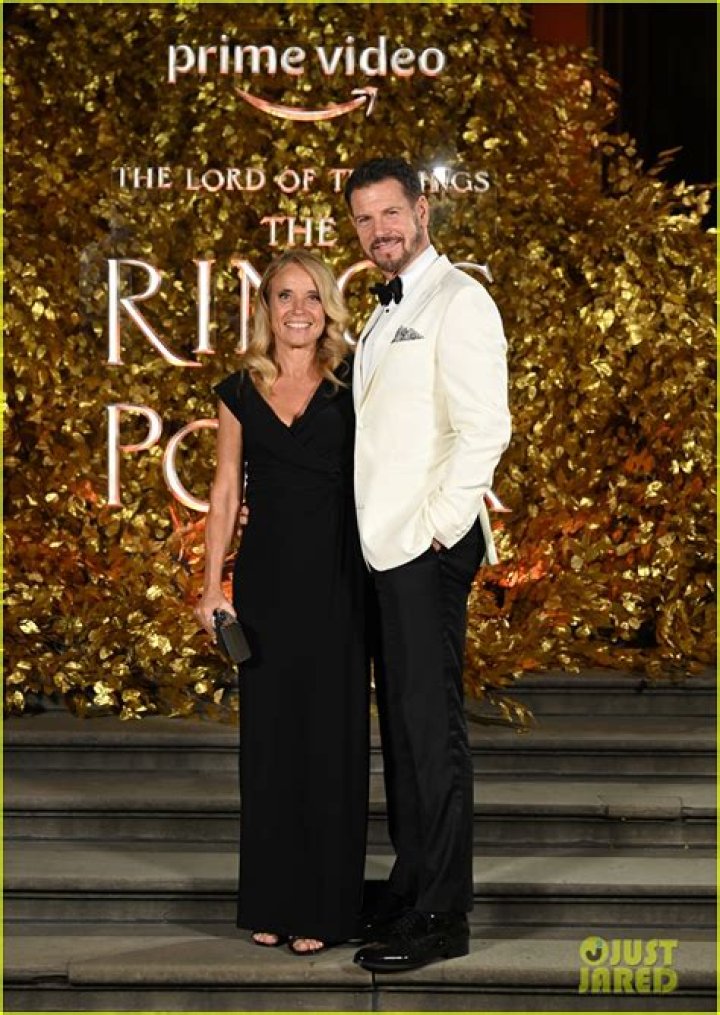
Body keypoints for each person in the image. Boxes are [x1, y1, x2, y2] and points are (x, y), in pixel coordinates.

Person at [345, 157, 512, 972]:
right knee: (406, 731)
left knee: (433, 730)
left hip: (425, 548)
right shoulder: (383, 311)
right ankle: (412, 882)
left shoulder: (459, 298)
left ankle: (444, 911)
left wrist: (438, 530)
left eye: (390, 212)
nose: (379, 230)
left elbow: (486, 428)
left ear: (422, 211)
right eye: (364, 219)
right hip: (385, 549)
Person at [195, 250, 369, 956]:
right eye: (284, 296)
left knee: (331, 741)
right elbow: (225, 490)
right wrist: (213, 585)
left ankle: (324, 906)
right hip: (266, 583)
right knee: (269, 745)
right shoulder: (239, 390)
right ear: (266, 308)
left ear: (328, 307)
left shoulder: (356, 383)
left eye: (312, 296)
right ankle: (270, 899)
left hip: (340, 579)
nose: (299, 309)